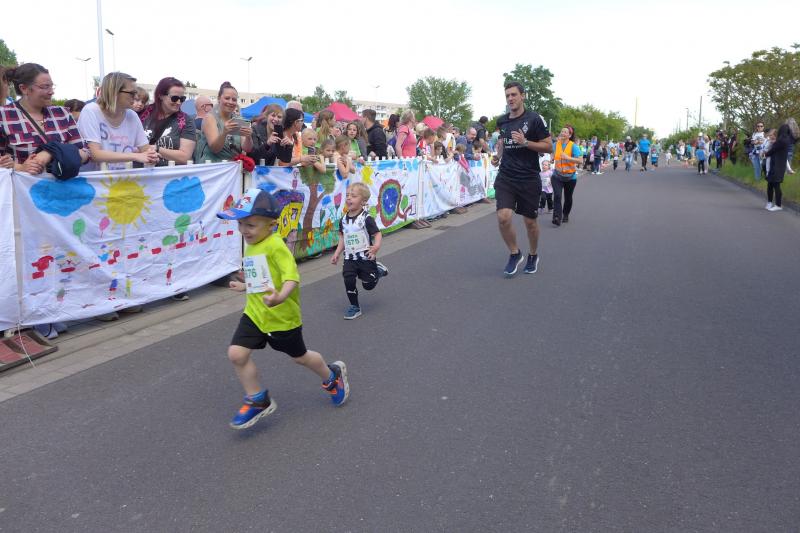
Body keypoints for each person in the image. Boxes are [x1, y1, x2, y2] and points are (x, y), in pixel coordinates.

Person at [217, 188, 350, 429]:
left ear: (271, 225)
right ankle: (258, 399)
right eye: (240, 224)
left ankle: (332, 377)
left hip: (282, 319)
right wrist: (245, 286)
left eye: (250, 225)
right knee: (237, 354)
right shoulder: (252, 243)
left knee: (301, 357)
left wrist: (280, 297)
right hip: (255, 314)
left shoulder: (276, 246)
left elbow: (291, 278)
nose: (244, 230)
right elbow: (262, 278)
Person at [490, 81, 551, 276]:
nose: (510, 99)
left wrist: (525, 142)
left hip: (528, 177)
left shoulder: (534, 119)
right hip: (506, 176)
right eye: (507, 95)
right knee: (503, 217)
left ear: (522, 96)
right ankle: (515, 253)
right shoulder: (502, 121)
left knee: (530, 222)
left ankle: (533, 255)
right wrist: (498, 156)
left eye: (514, 95)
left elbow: (548, 146)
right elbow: (503, 142)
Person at [0, 63, 91, 174]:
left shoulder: (62, 114)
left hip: (63, 184)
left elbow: (86, 153)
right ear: (24, 88)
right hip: (21, 184)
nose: (51, 91)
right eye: (45, 87)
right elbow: (2, 162)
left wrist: (51, 152)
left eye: (52, 86)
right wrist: (20, 167)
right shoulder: (4, 115)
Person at [77, 71, 158, 171]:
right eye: (132, 93)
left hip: (123, 178)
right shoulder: (91, 111)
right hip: (95, 179)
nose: (136, 97)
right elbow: (94, 154)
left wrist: (152, 155)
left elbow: (145, 148)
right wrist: (136, 156)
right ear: (114, 92)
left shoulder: (132, 115)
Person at [330, 182, 388, 319]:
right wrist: (337, 253)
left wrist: (376, 247)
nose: (349, 198)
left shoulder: (366, 219)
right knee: (348, 279)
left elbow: (377, 234)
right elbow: (342, 238)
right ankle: (354, 307)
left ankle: (377, 271)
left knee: (368, 285)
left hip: (366, 257)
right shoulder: (343, 220)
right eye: (347, 195)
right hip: (349, 258)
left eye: (353, 196)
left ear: (363, 201)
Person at [138, 77, 196, 166]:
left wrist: (156, 148)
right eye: (174, 98)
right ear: (160, 95)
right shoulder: (140, 114)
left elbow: (185, 157)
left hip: (169, 173)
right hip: (140, 172)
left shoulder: (186, 121)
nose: (179, 102)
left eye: (182, 99)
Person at [194, 82, 253, 163]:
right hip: (213, 166)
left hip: (232, 167)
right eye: (227, 98)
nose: (231, 102)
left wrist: (248, 137)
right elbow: (215, 149)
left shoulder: (239, 119)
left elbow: (247, 149)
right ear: (219, 98)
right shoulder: (210, 118)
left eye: (234, 99)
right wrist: (224, 133)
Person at [551, 125, 582, 226]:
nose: (563, 133)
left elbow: (580, 160)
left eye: (565, 132)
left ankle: (565, 214)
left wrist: (568, 158)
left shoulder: (573, 146)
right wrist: (551, 158)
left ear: (569, 135)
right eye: (562, 131)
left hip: (570, 177)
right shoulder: (555, 144)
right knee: (557, 196)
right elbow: (553, 154)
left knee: (568, 197)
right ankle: (557, 217)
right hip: (557, 175)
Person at [764, 123, 795, 212]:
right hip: (776, 165)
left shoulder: (781, 141)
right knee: (770, 184)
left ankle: (778, 205)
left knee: (775, 185)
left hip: (777, 166)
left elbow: (771, 151)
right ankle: (770, 202)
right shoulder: (785, 140)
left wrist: (765, 154)